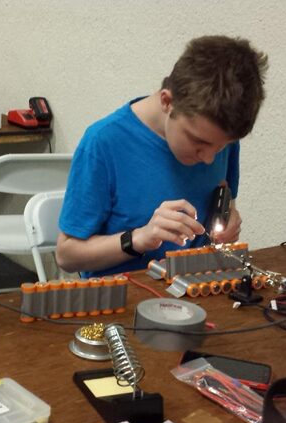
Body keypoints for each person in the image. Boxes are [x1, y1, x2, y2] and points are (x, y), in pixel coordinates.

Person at [56, 36, 268, 278]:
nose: (209, 158)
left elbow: (226, 201)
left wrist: (229, 220)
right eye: (199, 142)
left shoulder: (218, 136)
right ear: (167, 102)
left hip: (196, 290)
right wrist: (140, 238)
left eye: (220, 148)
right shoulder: (104, 143)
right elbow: (66, 255)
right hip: (122, 301)